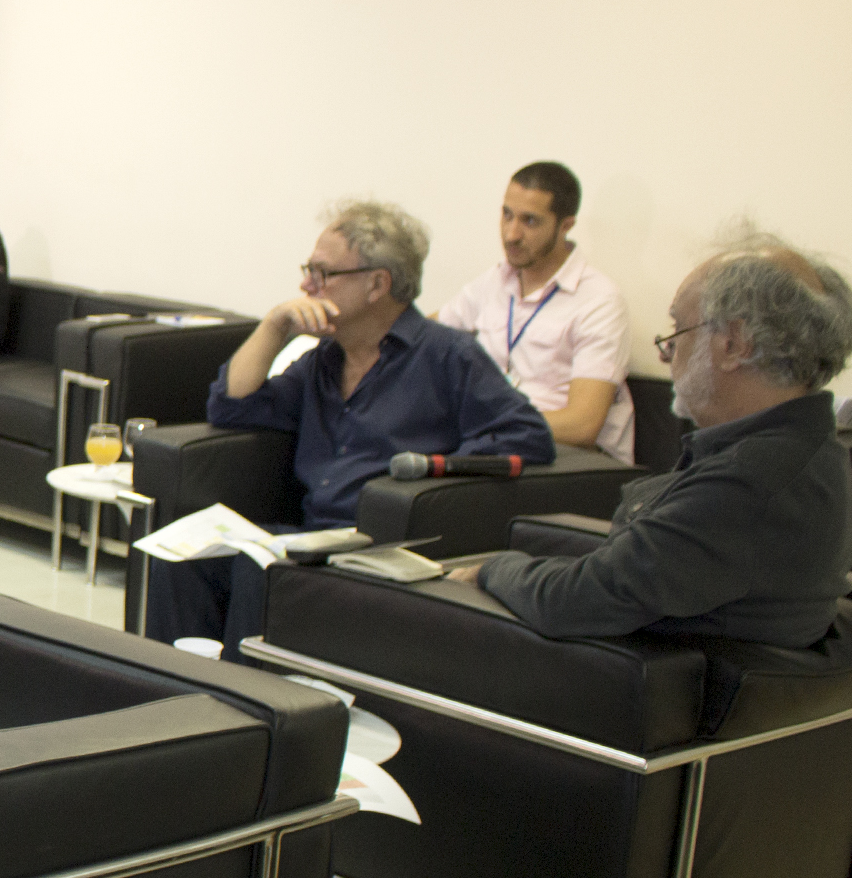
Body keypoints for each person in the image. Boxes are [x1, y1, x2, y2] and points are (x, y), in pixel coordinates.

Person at [146, 200, 555, 659]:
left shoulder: (447, 355)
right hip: (309, 536)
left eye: (321, 274)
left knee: (257, 570)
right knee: (180, 557)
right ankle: (176, 701)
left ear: (377, 283)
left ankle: (250, 717)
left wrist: (425, 477)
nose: (306, 286)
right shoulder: (325, 360)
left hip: (381, 546)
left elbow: (526, 436)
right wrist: (275, 326)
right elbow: (232, 406)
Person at [451, 238, 852, 645]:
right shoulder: (809, 450)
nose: (666, 352)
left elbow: (574, 602)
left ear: (733, 344)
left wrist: (493, 569)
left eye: (679, 328)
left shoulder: (748, 482)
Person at [433, 161, 635, 461]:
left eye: (530, 221)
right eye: (507, 215)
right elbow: (424, 337)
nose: (511, 234)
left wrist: (484, 423)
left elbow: (583, 425)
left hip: (568, 459)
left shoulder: (598, 300)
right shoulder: (497, 280)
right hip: (498, 446)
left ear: (565, 225)